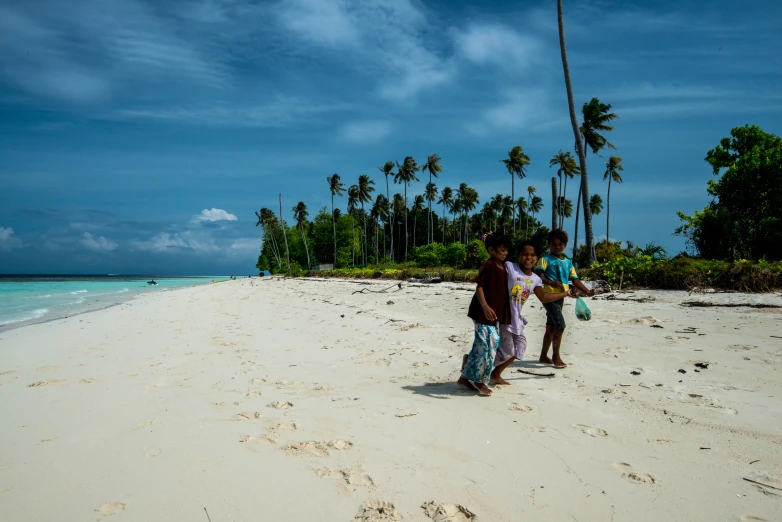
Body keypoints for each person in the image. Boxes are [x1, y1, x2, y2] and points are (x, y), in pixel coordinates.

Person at [489, 241, 573, 384]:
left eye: (532, 255)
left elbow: (544, 297)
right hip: (504, 315)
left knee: (520, 347)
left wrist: (565, 294)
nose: (529, 258)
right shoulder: (510, 267)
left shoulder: (535, 278)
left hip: (516, 318)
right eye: (525, 254)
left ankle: (491, 371)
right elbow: (493, 264)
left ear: (536, 257)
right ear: (518, 256)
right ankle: (486, 370)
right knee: (506, 351)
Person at [457, 233, 511, 396]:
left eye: (506, 250)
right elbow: (479, 287)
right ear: (491, 250)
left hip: (494, 315)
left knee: (488, 345)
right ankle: (481, 381)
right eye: (501, 250)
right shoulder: (489, 266)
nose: (504, 253)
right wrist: (485, 306)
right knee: (486, 347)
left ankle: (465, 378)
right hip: (482, 313)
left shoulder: (504, 267)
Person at [534, 229, 594, 369]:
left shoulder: (567, 262)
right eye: (554, 244)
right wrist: (550, 282)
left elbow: (575, 279)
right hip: (548, 296)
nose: (557, 246)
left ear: (565, 245)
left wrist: (586, 290)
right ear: (549, 245)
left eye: (560, 244)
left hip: (561, 296)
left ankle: (543, 356)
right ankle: (556, 357)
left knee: (551, 326)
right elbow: (538, 275)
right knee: (560, 325)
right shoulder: (545, 259)